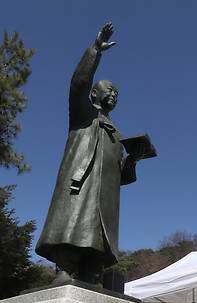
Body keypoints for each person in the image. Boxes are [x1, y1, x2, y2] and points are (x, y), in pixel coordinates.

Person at [35, 22, 138, 284]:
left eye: (117, 92)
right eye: (109, 89)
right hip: (80, 188)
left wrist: (134, 159)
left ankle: (92, 272)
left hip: (106, 199)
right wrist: (95, 51)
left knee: (98, 247)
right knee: (73, 227)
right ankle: (65, 268)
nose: (114, 93)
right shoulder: (84, 115)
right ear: (95, 94)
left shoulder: (116, 132)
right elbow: (78, 84)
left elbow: (120, 177)